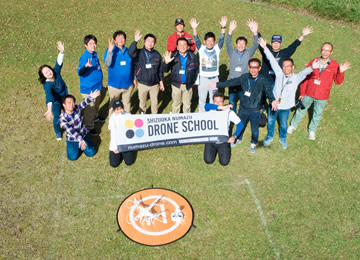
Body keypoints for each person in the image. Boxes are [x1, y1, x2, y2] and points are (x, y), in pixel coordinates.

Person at [258, 37, 320, 149]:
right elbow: (272, 60)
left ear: (293, 67)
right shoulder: (279, 74)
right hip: (274, 104)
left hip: (285, 107)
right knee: (271, 122)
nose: (286, 68)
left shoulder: (296, 78)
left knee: (283, 124)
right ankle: (269, 136)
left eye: (288, 66)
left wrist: (312, 67)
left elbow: (304, 73)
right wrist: (265, 48)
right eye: (284, 66)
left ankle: (283, 138)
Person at [210, 58, 278, 153]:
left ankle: (253, 143)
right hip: (243, 108)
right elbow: (231, 82)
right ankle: (238, 138)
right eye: (251, 67)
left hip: (255, 110)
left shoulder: (263, 80)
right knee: (240, 125)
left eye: (256, 67)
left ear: (259, 68)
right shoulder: (244, 77)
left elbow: (269, 92)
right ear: (248, 67)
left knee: (254, 129)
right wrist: (217, 84)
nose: (253, 70)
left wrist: (272, 100)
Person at [287, 42, 351, 140]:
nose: (325, 52)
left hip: (322, 96)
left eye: (328, 50)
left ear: (331, 52)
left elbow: (338, 82)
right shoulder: (314, 61)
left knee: (317, 113)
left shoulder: (335, 65)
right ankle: (293, 125)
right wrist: (302, 92)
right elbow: (305, 77)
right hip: (309, 92)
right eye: (323, 50)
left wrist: (341, 72)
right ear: (321, 50)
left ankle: (312, 130)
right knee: (301, 110)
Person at [190, 17, 227, 112]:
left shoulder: (217, 49)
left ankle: (212, 117)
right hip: (203, 79)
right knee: (202, 99)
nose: (210, 43)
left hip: (214, 79)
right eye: (208, 41)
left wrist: (223, 27)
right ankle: (202, 117)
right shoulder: (201, 49)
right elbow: (196, 39)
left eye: (212, 41)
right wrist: (194, 28)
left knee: (213, 100)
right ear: (205, 41)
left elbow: (222, 39)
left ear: (214, 42)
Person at [226, 19, 259, 113]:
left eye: (243, 44)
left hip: (243, 83)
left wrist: (255, 33)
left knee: (243, 101)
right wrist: (230, 31)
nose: (241, 46)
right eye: (239, 44)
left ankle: (241, 116)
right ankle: (232, 116)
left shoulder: (248, 53)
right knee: (232, 100)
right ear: (236, 44)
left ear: (245, 45)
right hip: (232, 82)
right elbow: (227, 43)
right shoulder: (232, 52)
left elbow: (256, 44)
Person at [129, 30, 164, 114]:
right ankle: (142, 119)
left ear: (154, 43)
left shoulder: (157, 55)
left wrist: (161, 82)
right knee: (142, 103)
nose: (150, 43)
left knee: (155, 103)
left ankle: (154, 118)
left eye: (152, 42)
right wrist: (135, 41)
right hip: (142, 84)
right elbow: (130, 53)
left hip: (154, 85)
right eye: (148, 41)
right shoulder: (139, 52)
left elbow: (160, 70)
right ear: (144, 42)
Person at [38, 41, 68, 141]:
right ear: (44, 76)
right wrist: (49, 109)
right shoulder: (47, 85)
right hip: (56, 102)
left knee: (68, 112)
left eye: (49, 70)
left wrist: (62, 52)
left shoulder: (56, 72)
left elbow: (58, 63)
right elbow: (49, 96)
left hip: (65, 96)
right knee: (57, 118)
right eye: (46, 73)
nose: (49, 72)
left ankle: (69, 125)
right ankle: (58, 132)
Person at [59, 90, 101, 161]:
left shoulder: (76, 108)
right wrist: (80, 140)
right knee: (72, 158)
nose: (71, 104)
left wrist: (91, 97)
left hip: (83, 135)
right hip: (72, 140)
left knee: (91, 153)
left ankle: (82, 145)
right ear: (64, 105)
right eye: (69, 103)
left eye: (73, 102)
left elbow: (83, 103)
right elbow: (71, 131)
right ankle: (75, 147)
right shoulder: (62, 119)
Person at [204, 93, 244, 166]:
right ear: (213, 102)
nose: (219, 103)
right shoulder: (210, 109)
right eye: (217, 102)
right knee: (208, 160)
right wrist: (221, 108)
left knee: (224, 162)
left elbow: (240, 125)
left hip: (223, 141)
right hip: (211, 140)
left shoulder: (229, 112)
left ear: (223, 102)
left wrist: (234, 136)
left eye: (221, 102)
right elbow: (206, 106)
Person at [163, 38, 199, 113]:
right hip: (176, 85)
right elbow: (165, 70)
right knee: (176, 104)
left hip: (188, 85)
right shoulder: (172, 56)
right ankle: (175, 121)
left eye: (184, 45)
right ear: (177, 47)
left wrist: (194, 82)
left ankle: (186, 120)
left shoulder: (193, 57)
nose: (182, 47)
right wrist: (166, 63)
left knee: (187, 105)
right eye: (180, 45)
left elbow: (196, 70)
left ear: (188, 46)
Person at [77, 34, 104, 136]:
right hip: (89, 89)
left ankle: (96, 117)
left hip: (97, 87)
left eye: (94, 43)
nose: (93, 45)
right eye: (90, 43)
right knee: (90, 109)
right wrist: (85, 66)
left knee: (96, 104)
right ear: (85, 45)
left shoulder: (94, 54)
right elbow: (80, 72)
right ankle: (89, 127)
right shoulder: (84, 57)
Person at [104, 30, 136, 114]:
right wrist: (110, 52)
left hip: (128, 84)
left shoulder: (129, 51)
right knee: (113, 104)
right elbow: (107, 63)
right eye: (118, 38)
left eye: (122, 38)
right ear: (114, 40)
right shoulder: (110, 51)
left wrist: (134, 79)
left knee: (127, 103)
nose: (121, 40)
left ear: (125, 40)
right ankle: (112, 122)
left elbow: (134, 66)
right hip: (114, 85)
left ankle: (127, 121)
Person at [108, 100, 135, 167]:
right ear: (114, 110)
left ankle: (125, 153)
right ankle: (119, 154)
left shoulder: (128, 115)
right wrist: (115, 147)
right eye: (117, 109)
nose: (119, 111)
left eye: (121, 108)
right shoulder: (112, 119)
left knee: (129, 162)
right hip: (116, 142)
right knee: (114, 164)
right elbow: (113, 134)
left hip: (126, 142)